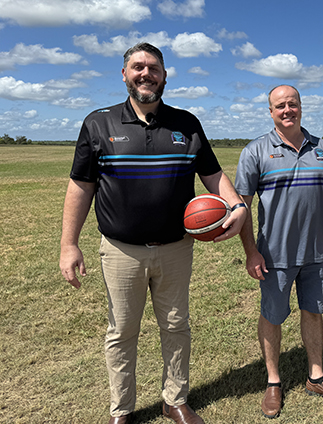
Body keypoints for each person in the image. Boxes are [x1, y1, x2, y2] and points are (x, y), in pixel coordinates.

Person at [59, 42, 247, 424]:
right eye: (137, 67)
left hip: (176, 248)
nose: (146, 74)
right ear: (125, 74)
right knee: (122, 330)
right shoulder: (99, 123)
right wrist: (68, 244)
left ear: (164, 75)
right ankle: (122, 410)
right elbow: (81, 185)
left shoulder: (187, 123)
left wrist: (238, 205)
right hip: (121, 250)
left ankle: (174, 399)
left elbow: (212, 174)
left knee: (176, 325)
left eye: (154, 68)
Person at [235, 85, 323, 418]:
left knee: (313, 312)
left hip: (316, 253)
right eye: (280, 106)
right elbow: (242, 205)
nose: (287, 110)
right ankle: (273, 381)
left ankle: (316, 376)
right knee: (272, 316)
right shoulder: (255, 151)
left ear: (301, 107)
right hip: (274, 256)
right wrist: (251, 252)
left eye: (293, 104)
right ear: (270, 111)